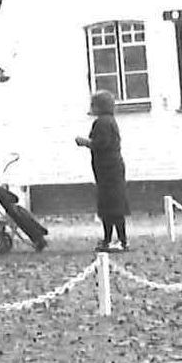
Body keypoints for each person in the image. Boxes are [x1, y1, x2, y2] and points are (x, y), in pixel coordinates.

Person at [75, 89, 129, 252]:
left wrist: (84, 142)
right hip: (109, 169)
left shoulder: (102, 123)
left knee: (112, 206)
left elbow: (101, 143)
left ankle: (119, 240)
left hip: (108, 170)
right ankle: (110, 239)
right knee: (110, 206)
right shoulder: (109, 121)